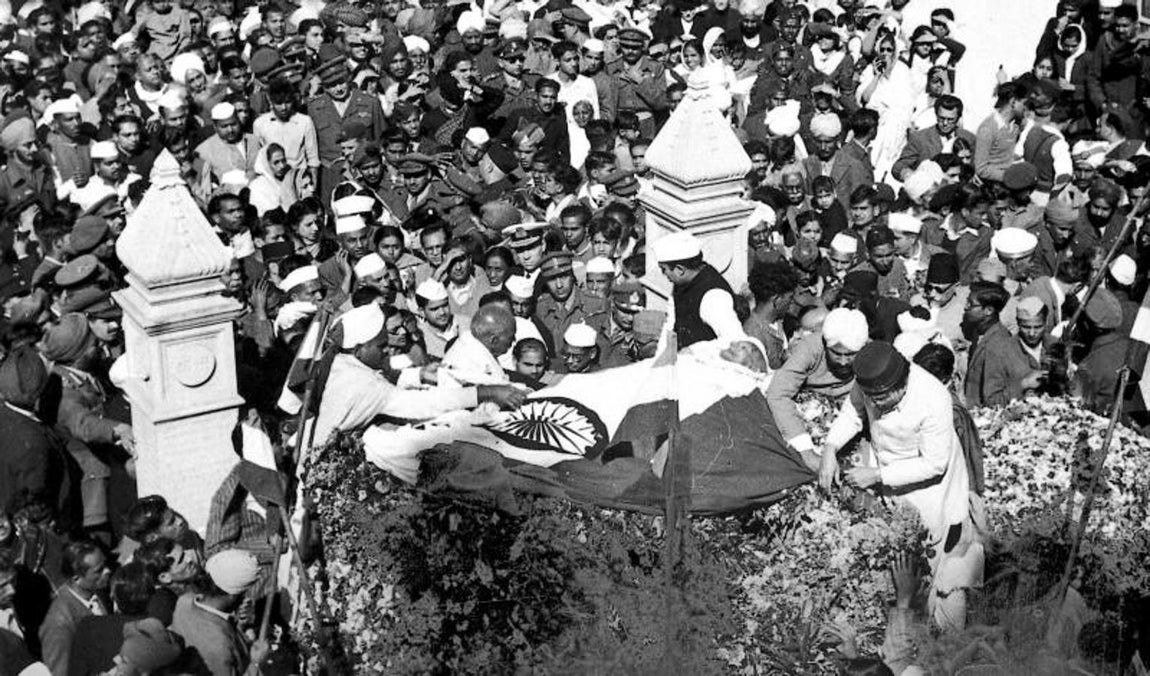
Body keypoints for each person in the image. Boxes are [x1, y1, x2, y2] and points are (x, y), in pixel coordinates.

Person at [821, 341, 980, 630]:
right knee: (903, 563)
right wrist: (830, 448)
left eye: (881, 398)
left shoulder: (933, 398)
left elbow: (934, 464)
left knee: (939, 570)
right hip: (892, 478)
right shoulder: (870, 380)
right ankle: (910, 633)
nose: (876, 405)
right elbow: (853, 412)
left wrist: (878, 475)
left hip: (934, 491)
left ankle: (949, 642)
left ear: (901, 384)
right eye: (872, 397)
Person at [312, 303, 525, 444]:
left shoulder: (344, 361)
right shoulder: (364, 385)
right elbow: (421, 403)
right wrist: (484, 392)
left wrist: (418, 374)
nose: (387, 351)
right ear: (359, 349)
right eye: (382, 346)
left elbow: (385, 374)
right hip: (325, 461)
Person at [766, 307, 869, 466]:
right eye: (836, 353)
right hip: (804, 421)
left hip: (849, 420)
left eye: (849, 355)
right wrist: (805, 450)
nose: (843, 362)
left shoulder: (871, 356)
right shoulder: (811, 347)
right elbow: (778, 393)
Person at [169, 549, 266, 676]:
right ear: (233, 595)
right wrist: (256, 662)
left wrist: (240, 628)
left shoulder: (184, 601)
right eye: (244, 593)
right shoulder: (219, 648)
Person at [653, 231, 744, 349]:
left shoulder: (713, 297)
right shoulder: (682, 281)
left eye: (664, 269)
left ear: (680, 270)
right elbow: (671, 323)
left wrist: (695, 351)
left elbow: (735, 341)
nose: (664, 274)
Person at [40, 540, 110, 676]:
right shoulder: (58, 623)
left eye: (105, 564)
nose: (108, 571)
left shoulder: (99, 592)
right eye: (99, 570)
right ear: (76, 578)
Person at [440, 304, 517, 386]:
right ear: (493, 340)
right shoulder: (470, 361)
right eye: (510, 337)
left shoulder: (473, 343)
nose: (514, 340)